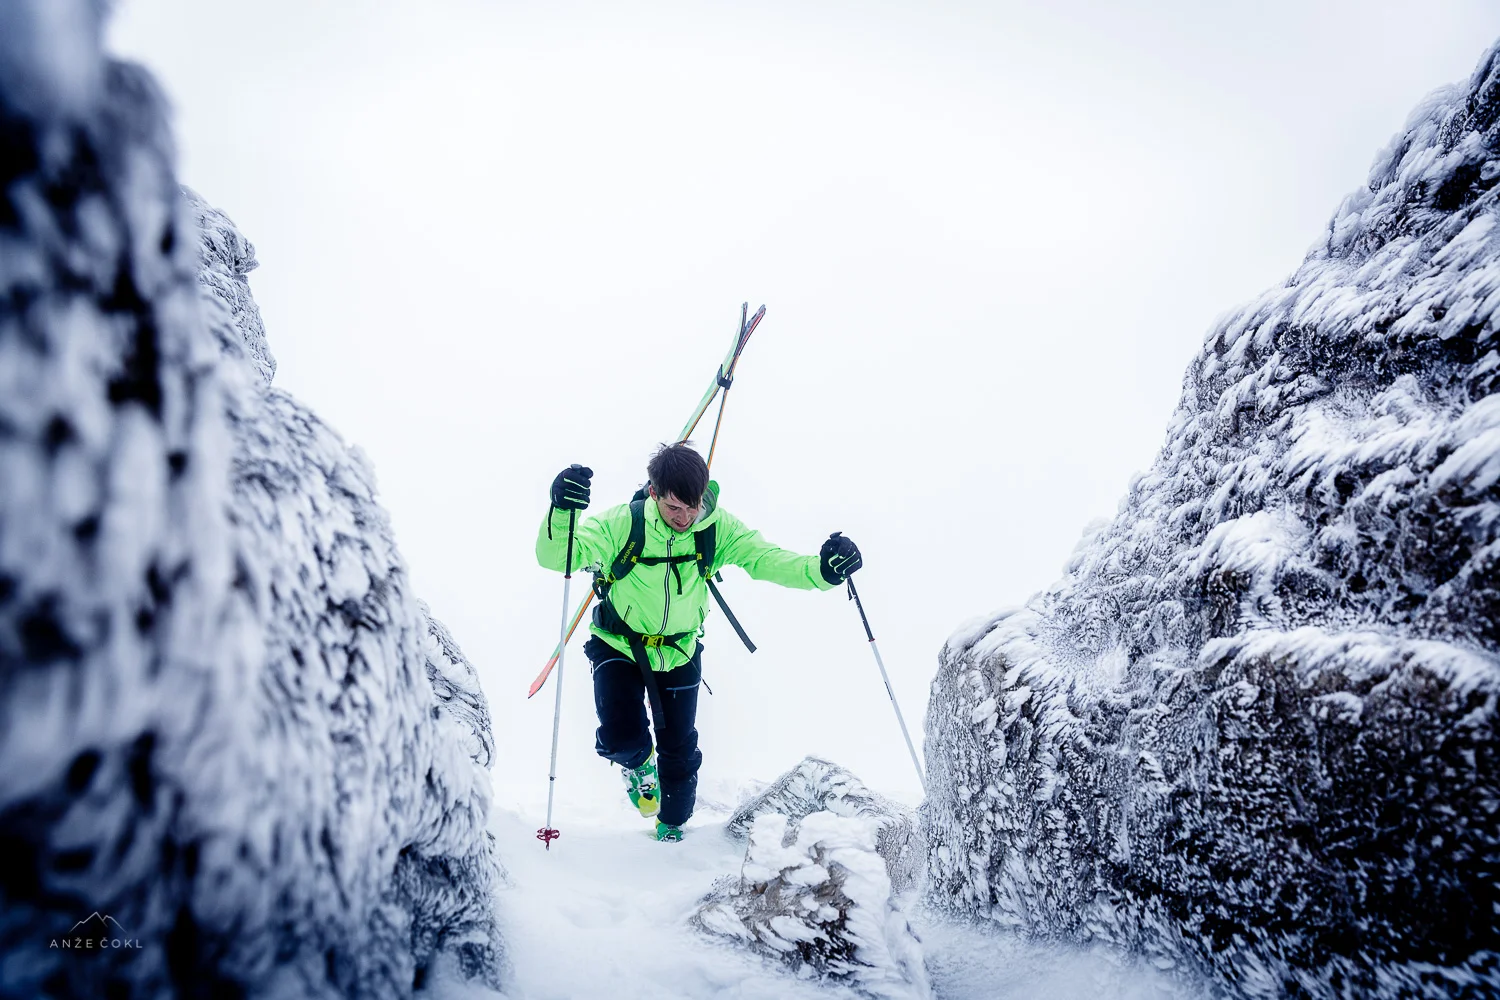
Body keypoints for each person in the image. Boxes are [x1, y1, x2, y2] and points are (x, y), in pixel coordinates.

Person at [536, 442, 862, 842]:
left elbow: (765, 558)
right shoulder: (623, 524)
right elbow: (559, 556)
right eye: (674, 508)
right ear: (653, 492)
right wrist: (564, 511)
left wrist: (822, 571)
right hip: (620, 644)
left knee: (680, 755)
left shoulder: (715, 527)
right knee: (622, 737)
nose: (685, 519)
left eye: (692, 508)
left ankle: (671, 823)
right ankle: (639, 766)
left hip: (680, 649)